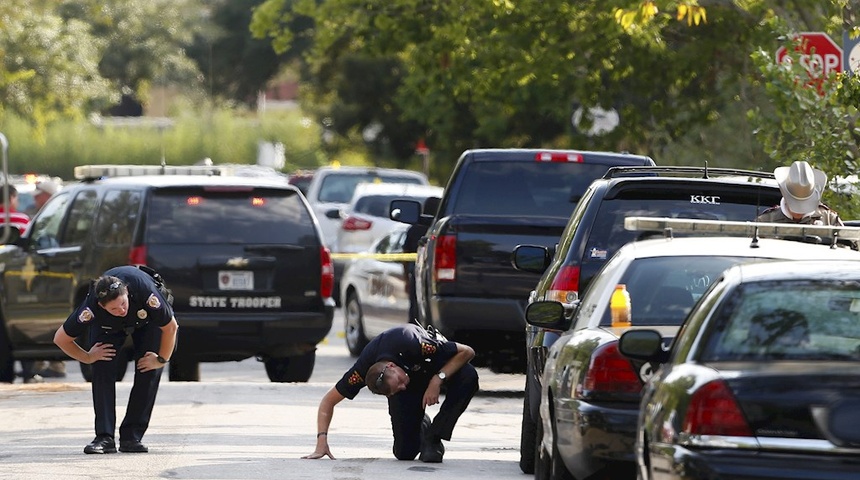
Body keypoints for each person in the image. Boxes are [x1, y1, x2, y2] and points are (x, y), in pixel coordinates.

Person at [303, 323, 478, 463]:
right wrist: (321, 442)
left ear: (392, 366)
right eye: (397, 390)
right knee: (405, 453)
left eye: (400, 381)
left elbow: (468, 351)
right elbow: (328, 401)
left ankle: (435, 435)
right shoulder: (361, 371)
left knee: (468, 376)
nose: (403, 385)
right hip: (414, 385)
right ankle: (421, 423)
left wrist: (437, 380)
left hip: (435, 370)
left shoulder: (412, 342)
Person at [53, 265, 179, 454]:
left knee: (148, 367)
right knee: (101, 365)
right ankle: (104, 437)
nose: (121, 310)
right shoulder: (91, 308)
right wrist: (87, 357)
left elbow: (171, 328)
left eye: (123, 304)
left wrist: (161, 360)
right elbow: (61, 338)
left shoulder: (145, 293)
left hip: (147, 320)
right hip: (108, 327)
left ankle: (132, 437)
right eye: (114, 308)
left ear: (126, 292)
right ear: (101, 306)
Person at [0, 184, 40, 383]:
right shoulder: (21, 220)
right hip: (16, 277)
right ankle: (28, 372)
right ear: (12, 199)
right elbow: (30, 245)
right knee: (25, 320)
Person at [756, 160, 844, 225]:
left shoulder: (829, 220)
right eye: (795, 203)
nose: (799, 211)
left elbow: (848, 247)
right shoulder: (765, 221)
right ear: (785, 195)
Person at [403, 196, 441, 322]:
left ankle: (414, 331)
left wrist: (406, 278)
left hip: (416, 270)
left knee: (415, 307)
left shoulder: (414, 229)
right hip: (432, 272)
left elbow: (405, 254)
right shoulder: (438, 230)